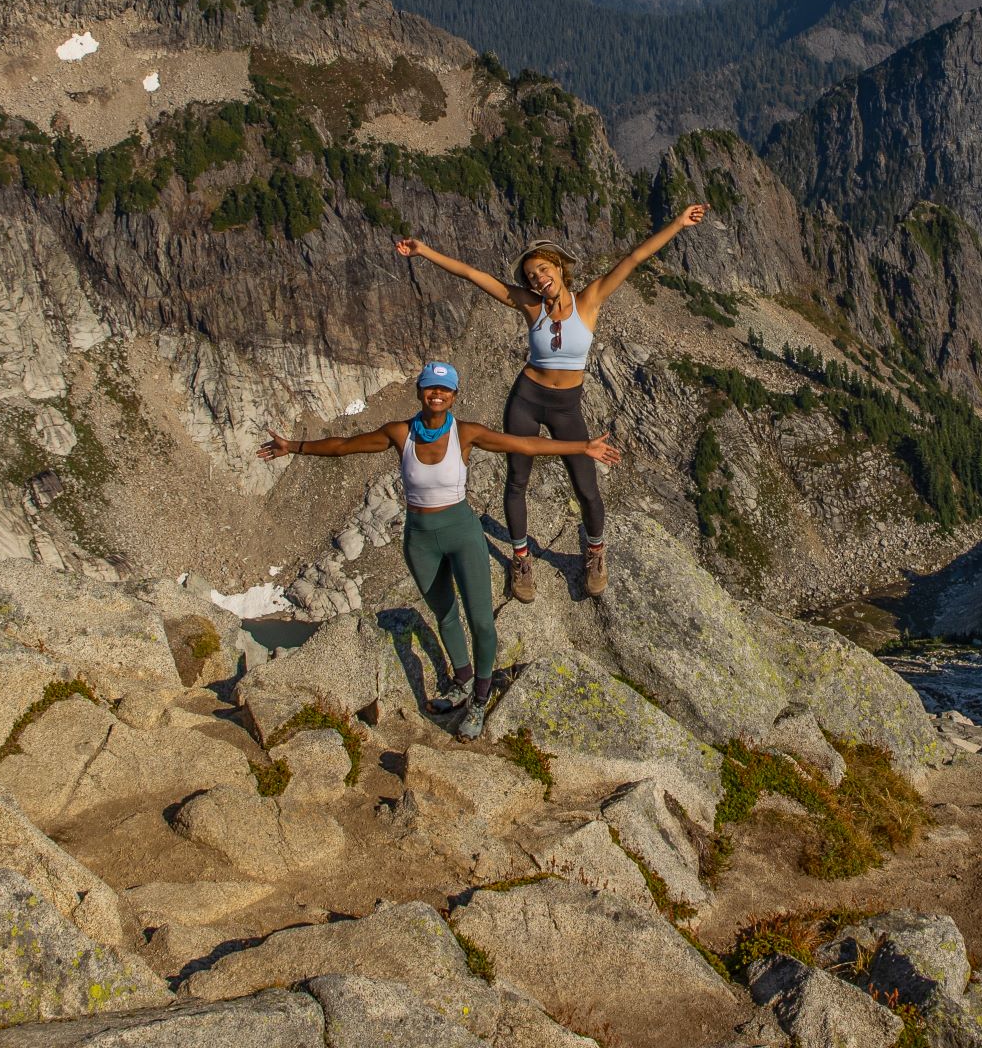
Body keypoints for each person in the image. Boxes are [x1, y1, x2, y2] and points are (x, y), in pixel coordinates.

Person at [256, 361, 618, 739]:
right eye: (431, 388)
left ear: (455, 396)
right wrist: (293, 447)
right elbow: (346, 447)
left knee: (480, 619)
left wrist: (582, 446)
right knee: (444, 613)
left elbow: (525, 444)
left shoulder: (466, 434)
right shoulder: (400, 434)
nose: (437, 394)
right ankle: (462, 681)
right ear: (420, 391)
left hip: (462, 533)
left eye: (445, 390)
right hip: (420, 538)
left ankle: (480, 697)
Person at [395, 205, 706, 601]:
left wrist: (678, 222)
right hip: (526, 398)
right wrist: (424, 251)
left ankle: (595, 551)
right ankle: (521, 559)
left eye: (543, 270)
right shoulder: (530, 306)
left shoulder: (589, 300)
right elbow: (473, 275)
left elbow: (635, 258)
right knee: (517, 480)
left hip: (565, 405)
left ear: (559, 267)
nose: (538, 279)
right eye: (531, 276)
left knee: (586, 484)